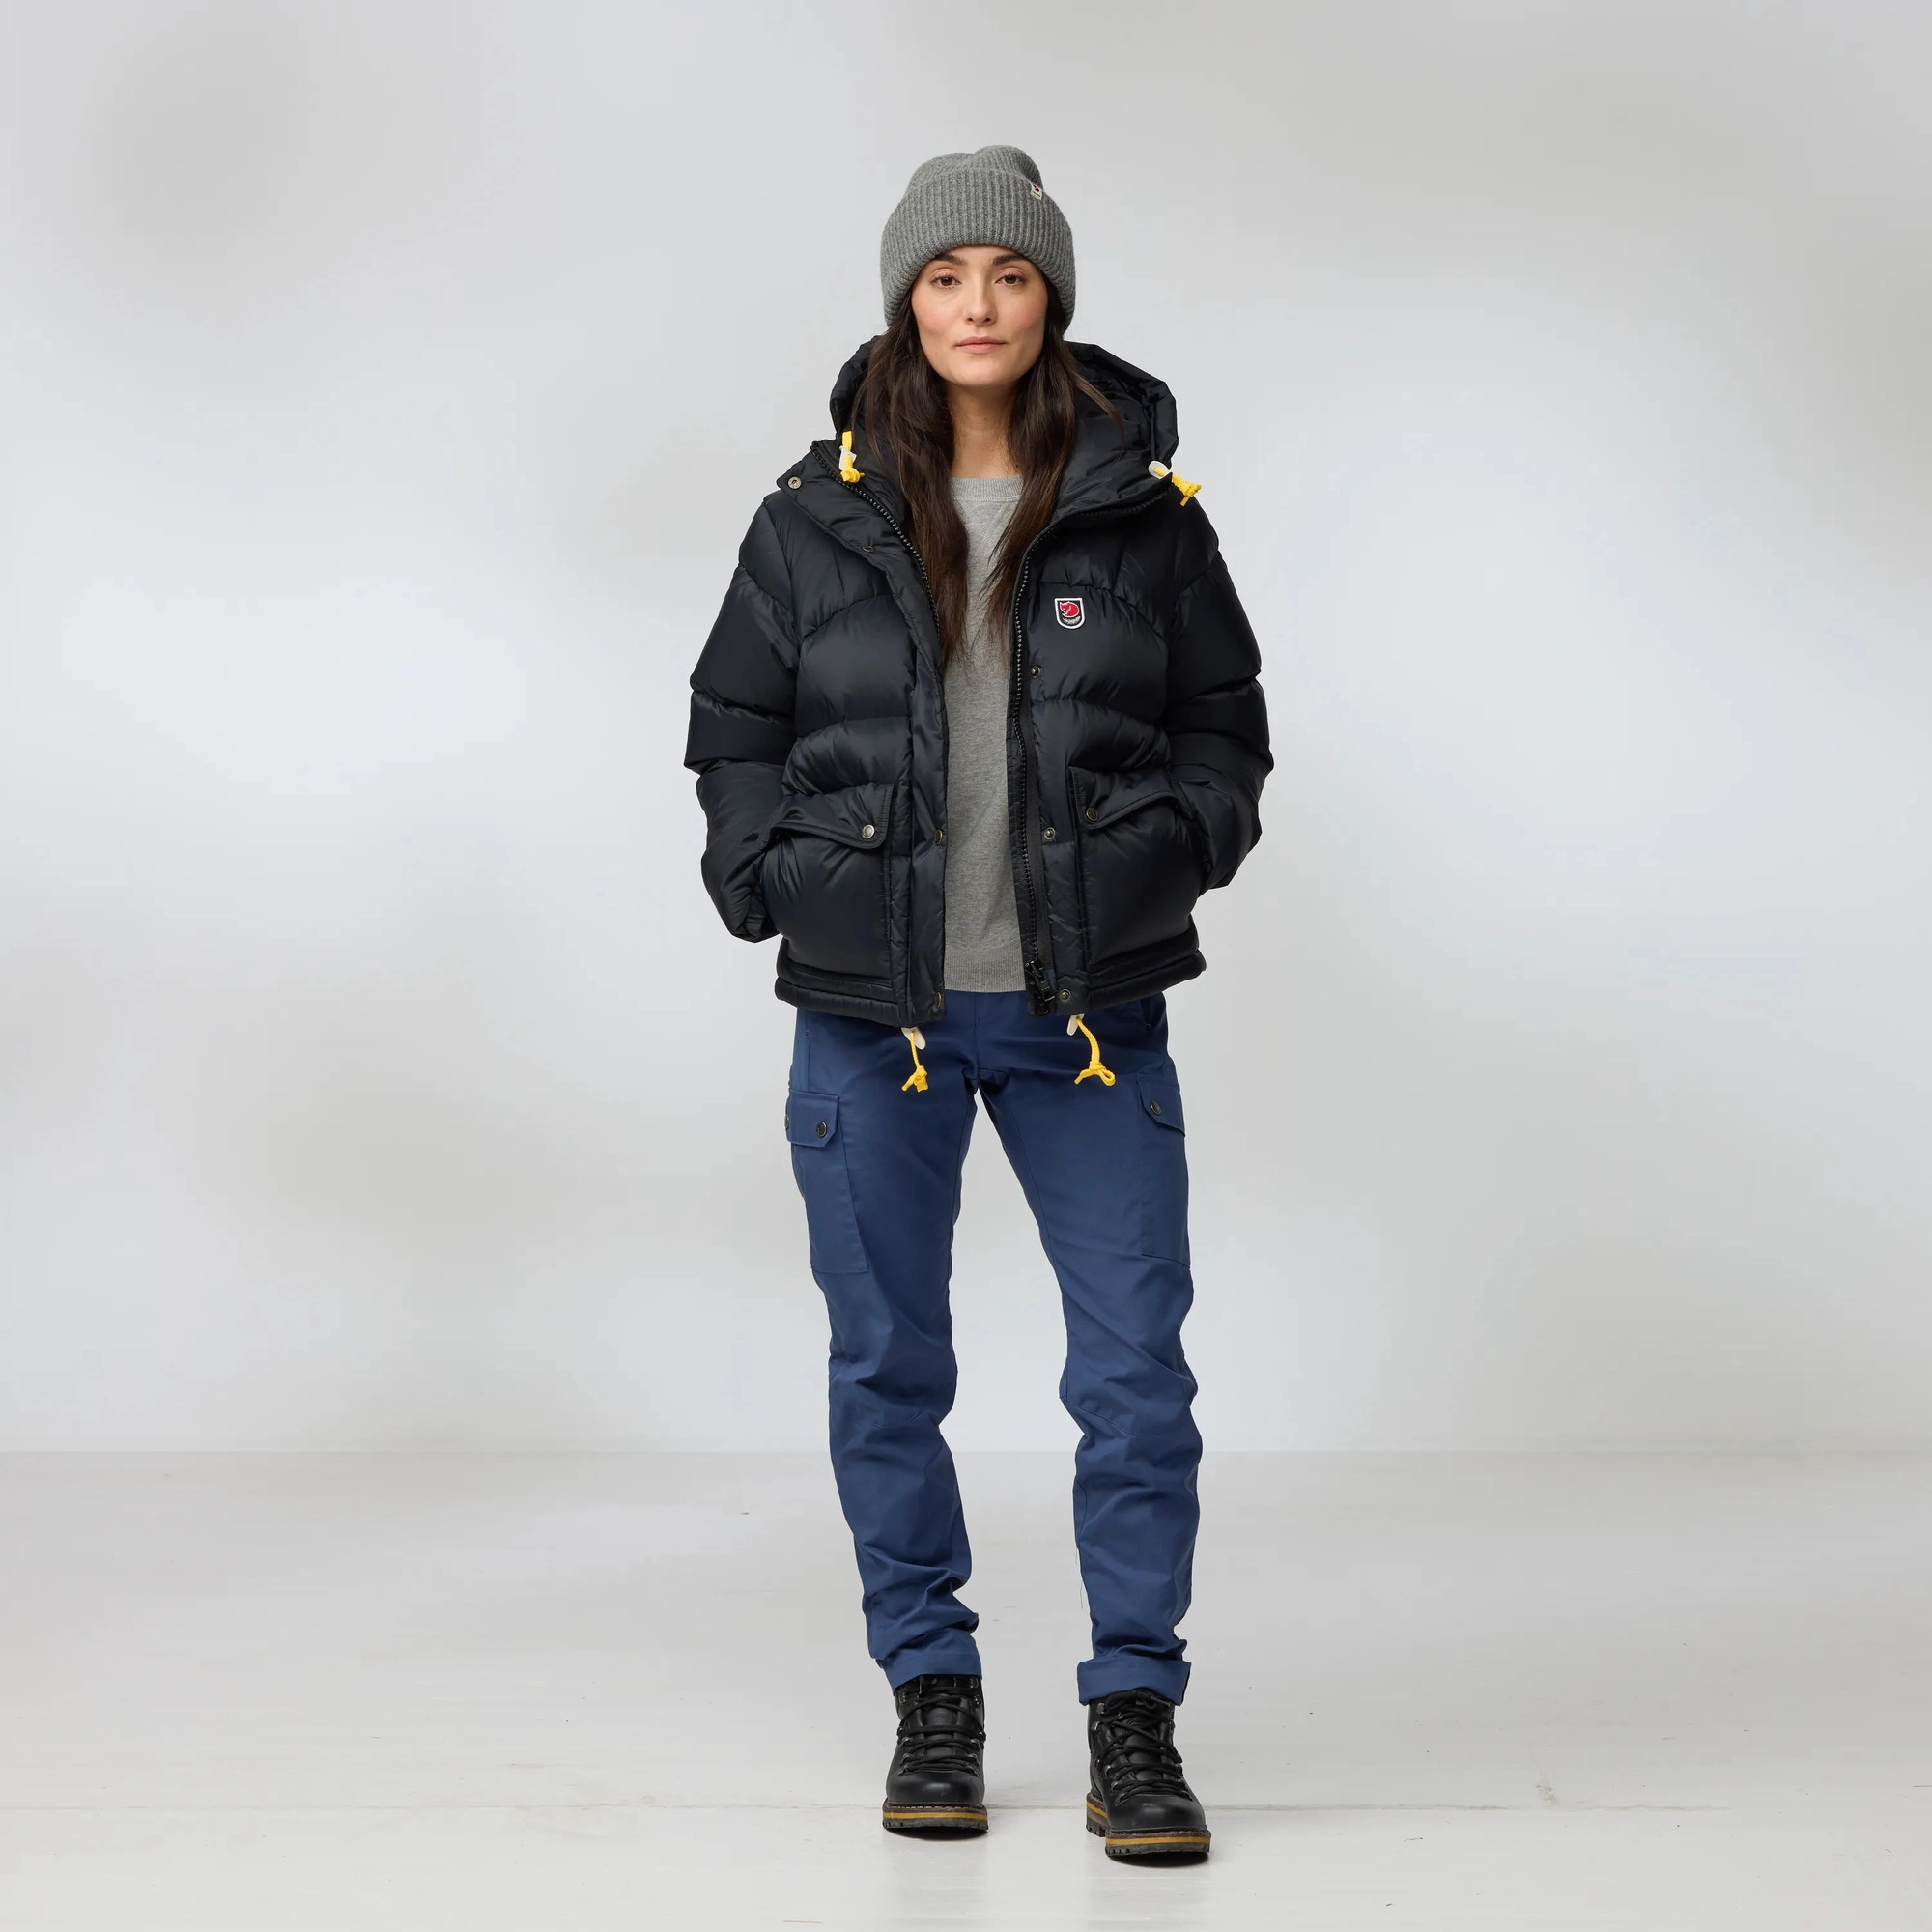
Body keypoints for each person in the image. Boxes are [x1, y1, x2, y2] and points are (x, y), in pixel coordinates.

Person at [685, 146, 1270, 1863]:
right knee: (889, 1367)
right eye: (946, 275)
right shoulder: (812, 519)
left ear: (1050, 297)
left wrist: (1176, 851)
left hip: (1089, 1022)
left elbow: (1225, 726)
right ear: (906, 300)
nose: (978, 304)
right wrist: (767, 877)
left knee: (1136, 1376)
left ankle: (1134, 1712)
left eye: (1009, 274)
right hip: (875, 1020)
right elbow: (736, 728)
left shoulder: (1148, 519)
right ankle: (930, 1690)